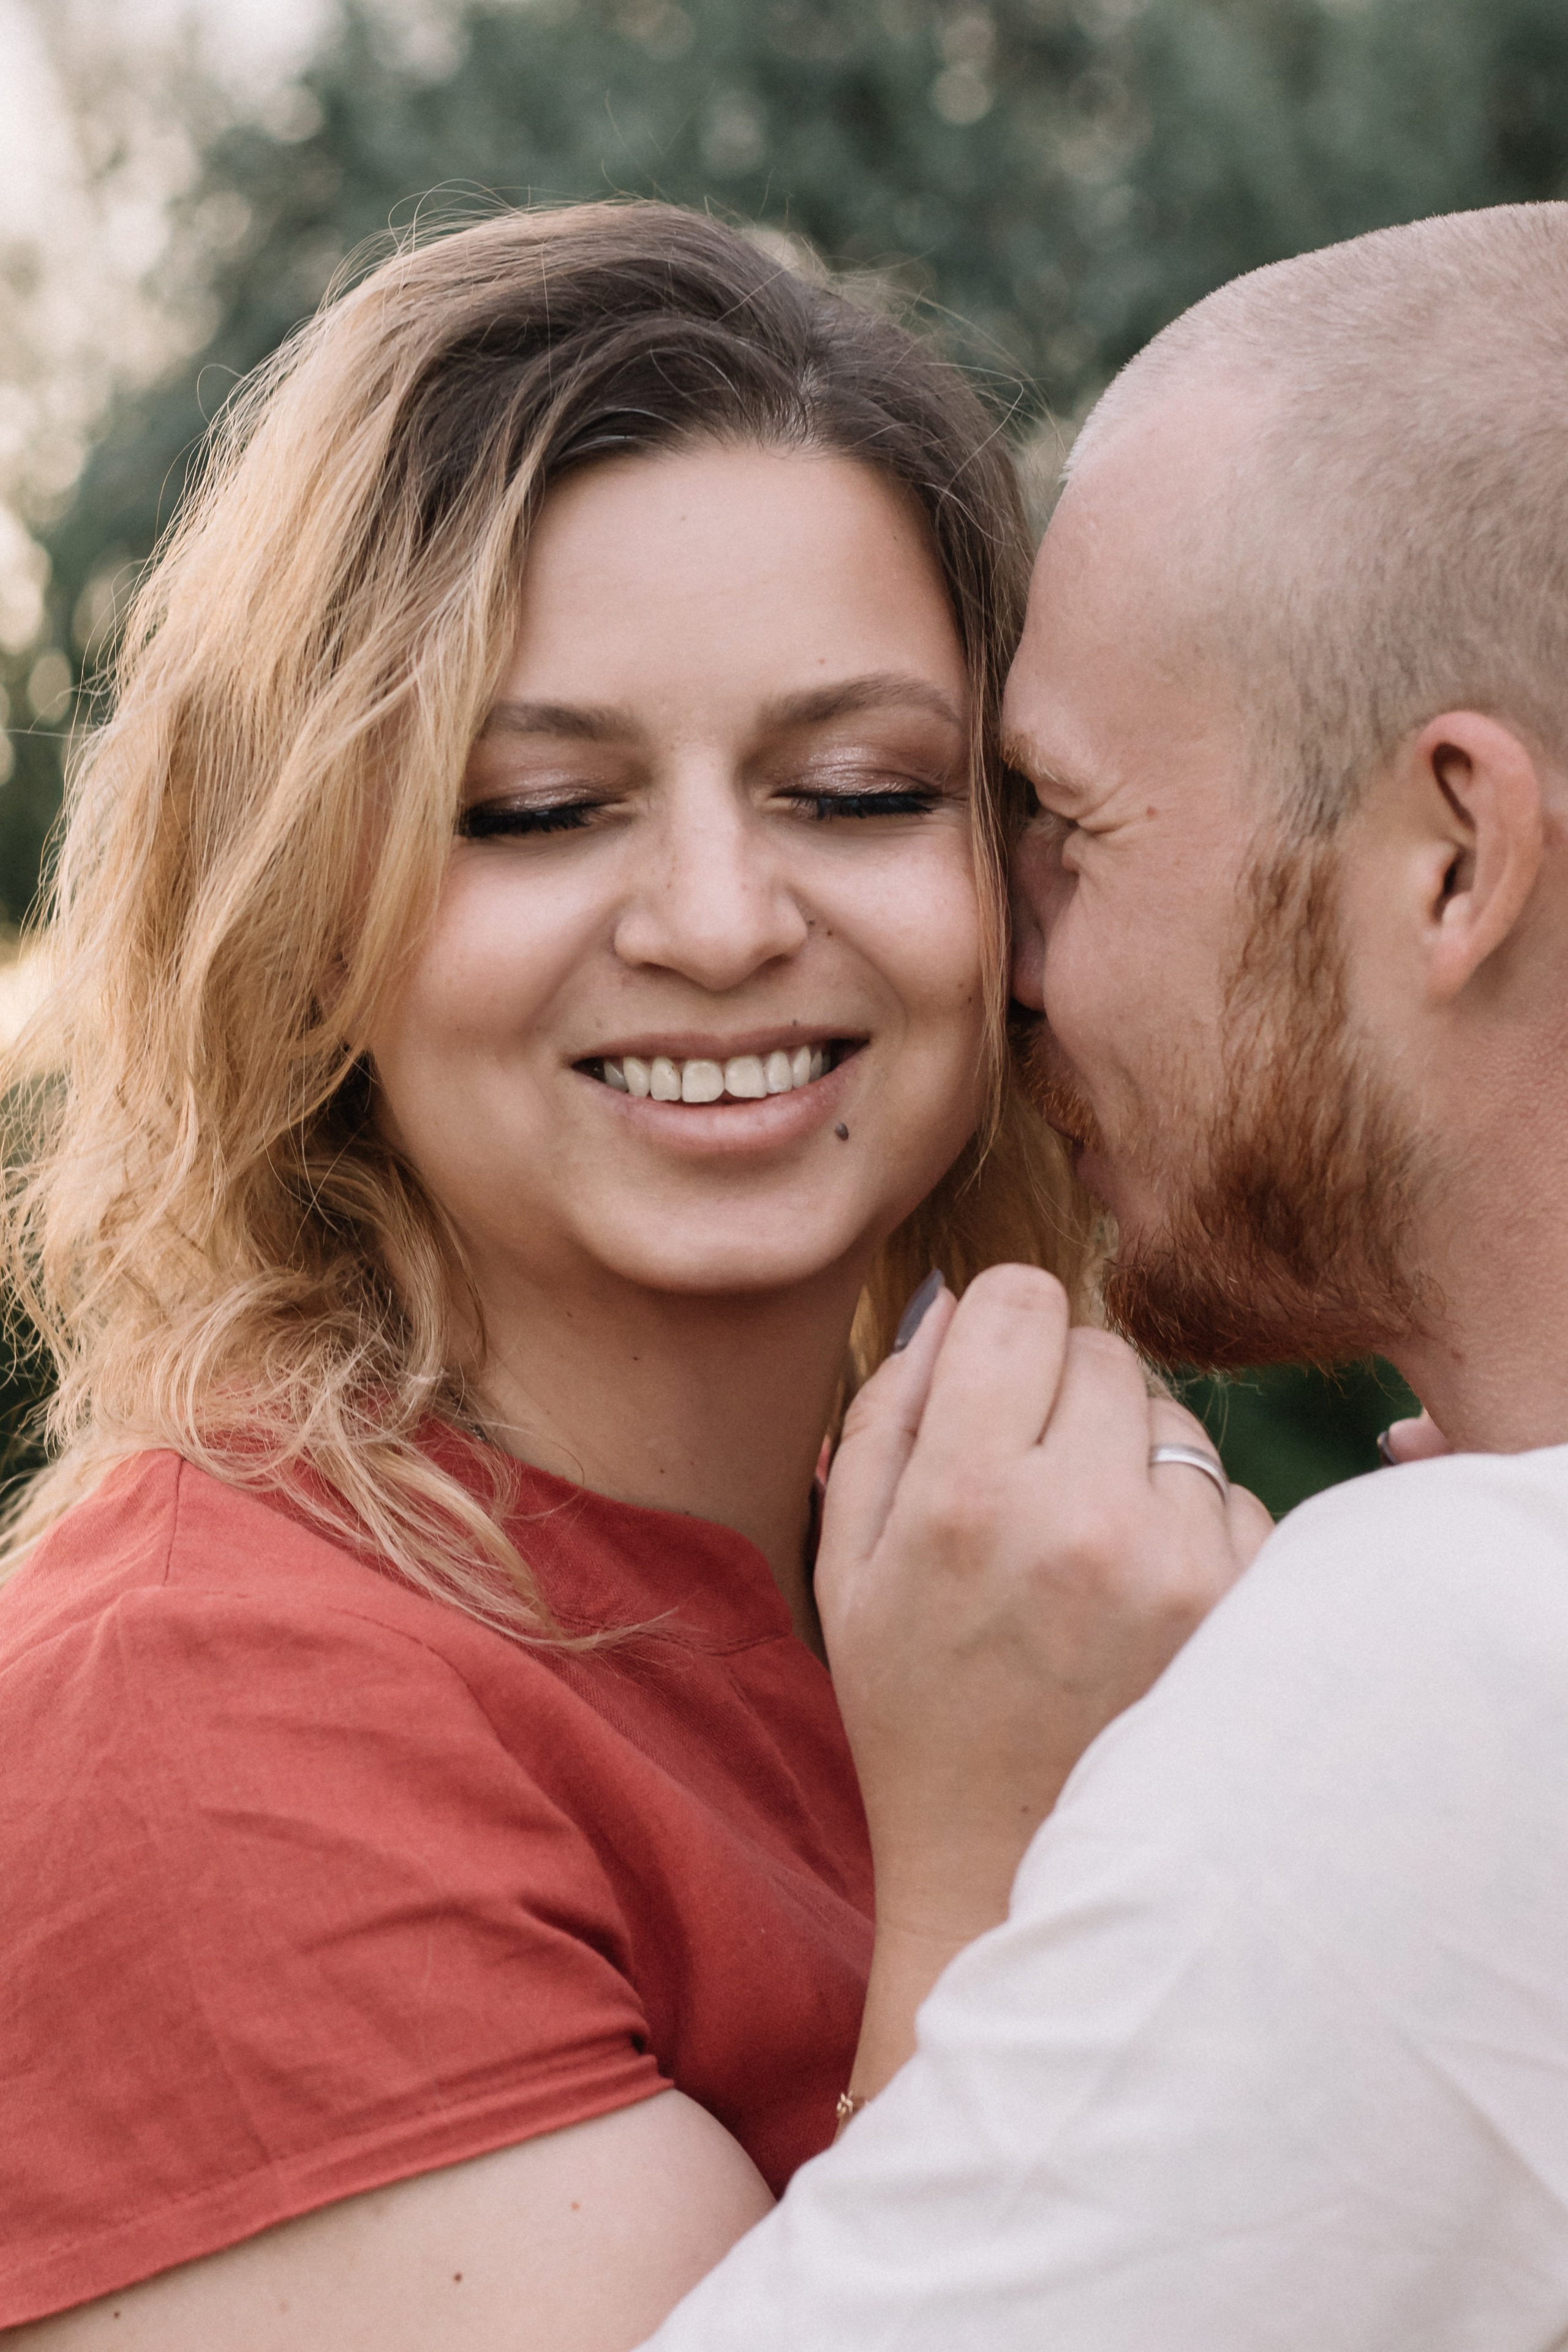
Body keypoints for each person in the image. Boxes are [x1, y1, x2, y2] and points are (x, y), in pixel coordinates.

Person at [0, 203, 1260, 2349]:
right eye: (538, 807)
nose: (714, 915)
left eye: (855, 789)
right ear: (310, 909)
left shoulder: (994, 1604)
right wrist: (1000, 1871)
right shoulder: (185, 1723)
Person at [635, 199, 1568, 2348]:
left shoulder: (1444, 1672)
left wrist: (987, 1851)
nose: (1012, 961)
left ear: (1453, 855)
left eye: (1064, 819)